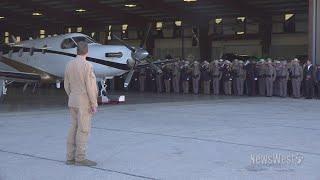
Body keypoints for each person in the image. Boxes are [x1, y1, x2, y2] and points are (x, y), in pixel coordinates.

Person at [64, 41, 98, 166]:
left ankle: (70, 158)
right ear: (87, 51)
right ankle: (80, 158)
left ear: (76, 51)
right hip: (83, 101)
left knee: (73, 127)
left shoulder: (69, 64)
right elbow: (90, 87)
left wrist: (72, 96)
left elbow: (66, 85)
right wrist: (94, 103)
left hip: (72, 99)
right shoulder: (87, 65)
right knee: (83, 129)